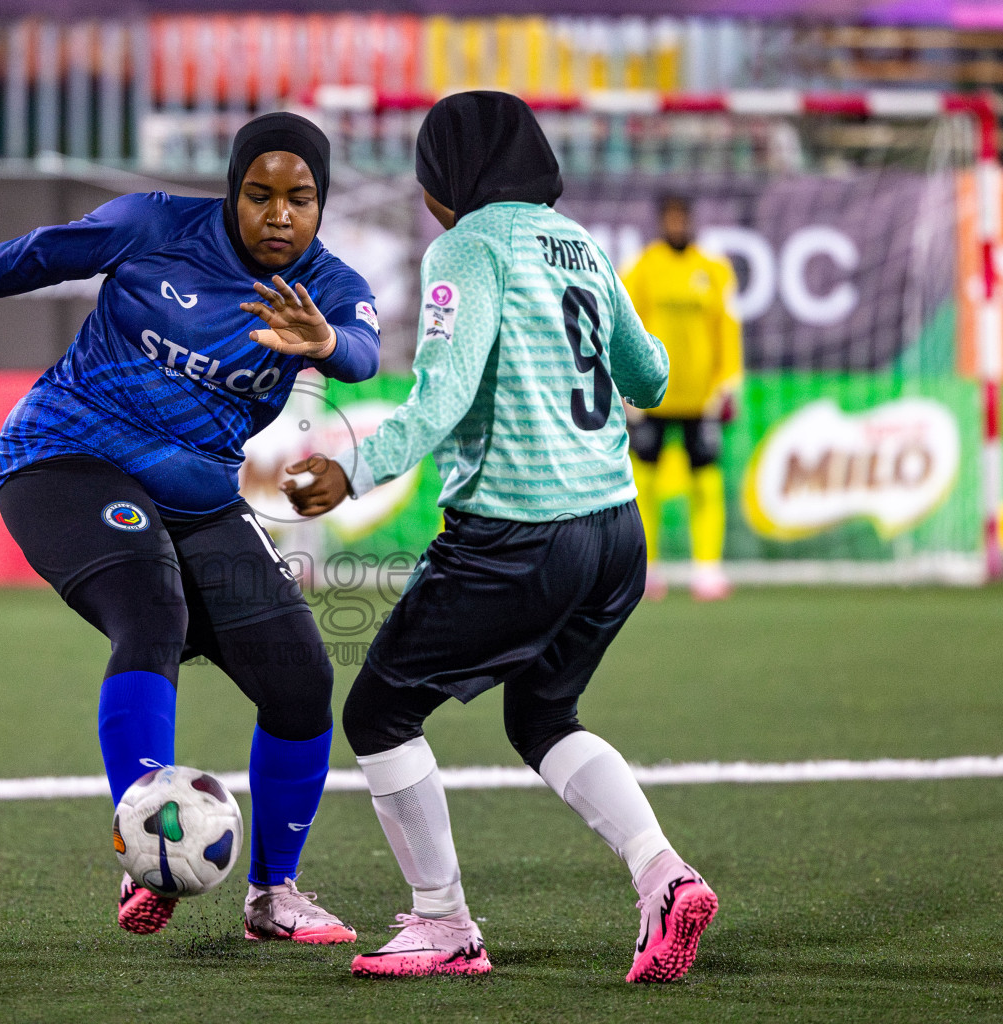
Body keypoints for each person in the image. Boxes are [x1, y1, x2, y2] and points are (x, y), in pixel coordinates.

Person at [0, 113, 380, 943]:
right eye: (259, 195)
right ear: (231, 193)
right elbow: (37, 255)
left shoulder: (327, 289)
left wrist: (329, 343)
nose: (278, 215)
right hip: (66, 456)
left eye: (299, 199)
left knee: (301, 679)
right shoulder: (155, 226)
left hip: (197, 494)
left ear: (321, 203)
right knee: (153, 612)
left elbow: (363, 354)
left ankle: (274, 896)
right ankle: (148, 844)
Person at [284, 92, 718, 981]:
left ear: (453, 175)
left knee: (378, 712)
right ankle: (664, 876)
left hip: (521, 532)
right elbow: (652, 374)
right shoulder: (581, 243)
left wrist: (354, 469)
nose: (427, 199)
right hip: (614, 533)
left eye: (429, 179)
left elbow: (438, 401)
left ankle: (443, 924)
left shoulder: (467, 246)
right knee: (543, 712)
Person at [621, 194, 742, 602]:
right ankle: (646, 568)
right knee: (644, 486)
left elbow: (727, 329)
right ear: (661, 221)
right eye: (670, 218)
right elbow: (624, 329)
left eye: (682, 218)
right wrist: (626, 389)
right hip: (651, 396)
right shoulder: (642, 268)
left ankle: (707, 569)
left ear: (690, 221)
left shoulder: (713, 270)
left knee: (706, 484)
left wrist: (728, 383)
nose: (677, 225)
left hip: (700, 399)